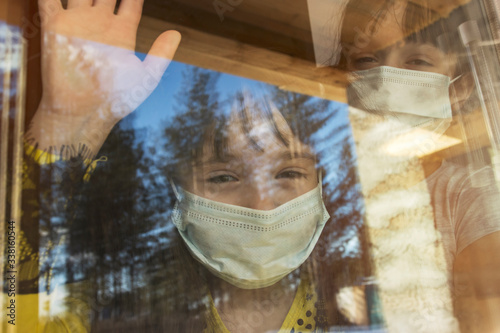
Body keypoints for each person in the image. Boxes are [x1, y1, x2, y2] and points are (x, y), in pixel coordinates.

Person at [15, 0, 379, 331]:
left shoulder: (373, 297)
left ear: (320, 181)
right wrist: (71, 122)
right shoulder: (110, 310)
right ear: (177, 190)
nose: (263, 207)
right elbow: (14, 313)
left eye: (288, 173)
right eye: (223, 177)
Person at [338, 0, 500, 331]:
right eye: (367, 59)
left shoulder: (468, 196)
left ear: (461, 87)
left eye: (417, 60)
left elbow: (485, 319)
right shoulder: (328, 188)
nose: (385, 80)